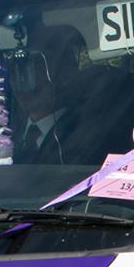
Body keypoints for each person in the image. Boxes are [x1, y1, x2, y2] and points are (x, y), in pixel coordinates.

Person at [9, 24, 86, 164]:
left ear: (65, 74)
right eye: (16, 70)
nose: (21, 81)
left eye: (33, 69)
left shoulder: (84, 134)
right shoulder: (2, 137)